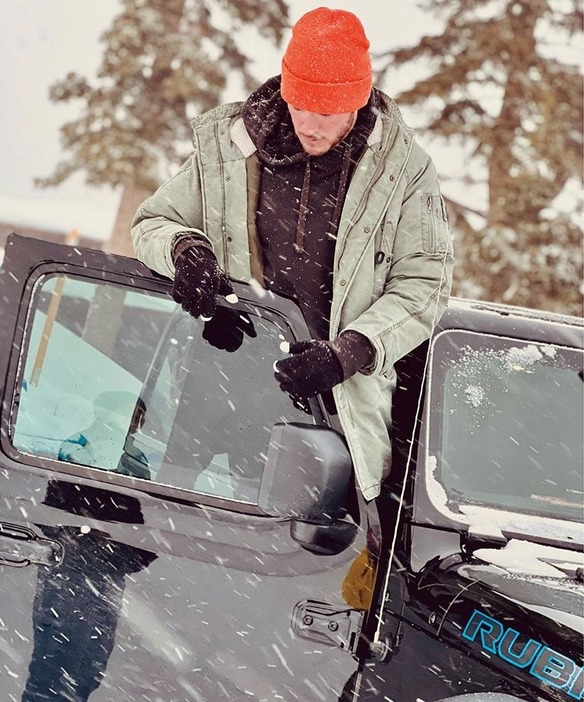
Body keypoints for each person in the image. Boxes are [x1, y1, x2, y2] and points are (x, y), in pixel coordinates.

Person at [131, 8, 454, 501]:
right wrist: (186, 252)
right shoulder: (230, 146)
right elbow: (153, 222)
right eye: (300, 104)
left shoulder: (404, 171)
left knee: (310, 557)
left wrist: (351, 351)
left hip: (328, 400)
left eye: (325, 112)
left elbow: (425, 284)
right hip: (217, 373)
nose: (309, 124)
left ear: (356, 102)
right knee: (164, 524)